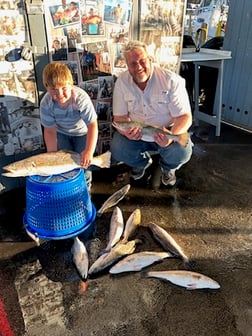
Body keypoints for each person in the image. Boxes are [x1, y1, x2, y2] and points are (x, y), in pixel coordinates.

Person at [110, 40, 193, 187]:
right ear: (127, 66)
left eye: (142, 61)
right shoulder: (122, 82)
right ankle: (141, 163)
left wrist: (171, 136)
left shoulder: (171, 80)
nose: (139, 67)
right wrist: (126, 133)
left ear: (150, 59)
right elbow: (119, 118)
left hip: (166, 131)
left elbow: (185, 117)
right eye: (133, 64)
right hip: (138, 135)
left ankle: (168, 168)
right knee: (117, 147)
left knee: (182, 151)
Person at [40, 62, 98, 189]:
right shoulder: (46, 103)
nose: (60, 94)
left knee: (85, 164)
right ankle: (67, 188)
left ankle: (86, 188)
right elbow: (49, 131)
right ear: (46, 87)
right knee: (63, 164)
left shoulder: (81, 98)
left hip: (82, 133)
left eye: (64, 88)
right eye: (54, 89)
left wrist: (88, 151)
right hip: (61, 133)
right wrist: (52, 154)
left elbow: (92, 125)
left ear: (71, 84)